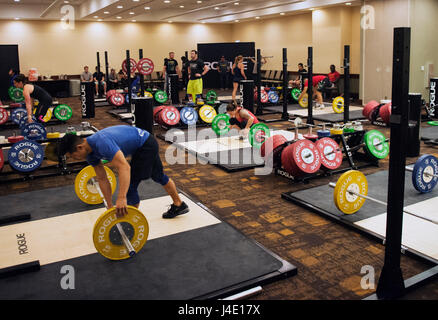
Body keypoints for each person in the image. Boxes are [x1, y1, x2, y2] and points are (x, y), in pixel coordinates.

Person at [58, 125, 189, 219]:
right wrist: (109, 206)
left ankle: (129, 223)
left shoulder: (102, 143)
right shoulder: (90, 155)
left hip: (146, 145)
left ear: (79, 147)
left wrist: (121, 198)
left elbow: (124, 167)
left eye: (72, 156)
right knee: (158, 176)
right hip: (143, 143)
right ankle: (179, 204)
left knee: (130, 187)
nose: (73, 159)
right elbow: (102, 178)